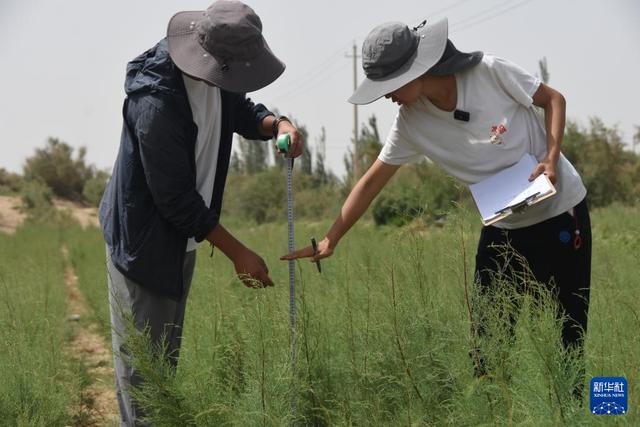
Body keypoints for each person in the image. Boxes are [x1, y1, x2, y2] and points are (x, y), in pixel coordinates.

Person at [282, 17, 591, 393]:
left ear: (418, 69)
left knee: (569, 340)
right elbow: (371, 181)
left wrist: (552, 156)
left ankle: (597, 414)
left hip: (560, 213)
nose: (386, 96)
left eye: (389, 86)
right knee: (487, 349)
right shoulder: (411, 123)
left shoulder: (489, 73)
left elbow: (552, 99)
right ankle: (494, 413)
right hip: (503, 225)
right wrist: (332, 238)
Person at [98, 1, 302, 424]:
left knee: (163, 366)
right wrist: (238, 253)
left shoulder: (217, 72)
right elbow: (174, 199)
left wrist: (276, 125)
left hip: (180, 240)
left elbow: (240, 110)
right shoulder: (156, 101)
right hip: (145, 245)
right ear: (211, 57)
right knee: (145, 380)